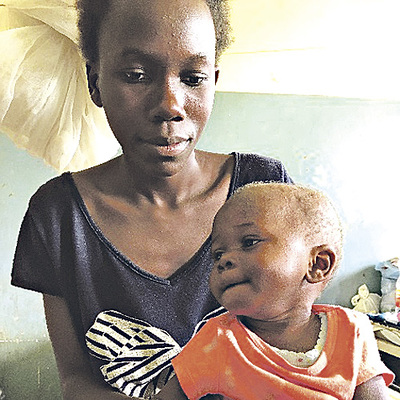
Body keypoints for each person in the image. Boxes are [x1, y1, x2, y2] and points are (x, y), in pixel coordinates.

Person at [10, 0, 293, 399]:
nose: (170, 105)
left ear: (213, 80)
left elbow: (303, 340)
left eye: (193, 78)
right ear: (95, 82)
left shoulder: (265, 191)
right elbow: (75, 381)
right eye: (136, 75)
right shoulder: (57, 218)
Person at [155, 182, 394, 400]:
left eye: (249, 242)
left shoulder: (352, 331)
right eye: (217, 254)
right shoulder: (218, 340)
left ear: (318, 264)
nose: (224, 260)